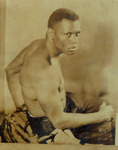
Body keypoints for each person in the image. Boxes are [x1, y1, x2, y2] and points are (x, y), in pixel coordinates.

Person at [5, 8, 114, 144]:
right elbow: (59, 121)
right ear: (51, 33)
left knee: (108, 105)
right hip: (53, 126)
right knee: (111, 130)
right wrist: (102, 116)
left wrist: (21, 104)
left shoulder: (37, 44)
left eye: (77, 34)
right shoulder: (43, 70)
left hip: (60, 105)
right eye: (68, 34)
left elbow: (11, 70)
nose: (74, 41)